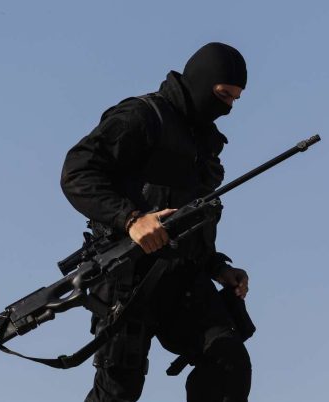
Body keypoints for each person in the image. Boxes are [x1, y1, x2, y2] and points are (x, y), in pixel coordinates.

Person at [60, 42, 252, 402]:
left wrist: (216, 266)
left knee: (228, 364)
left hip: (183, 281)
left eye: (234, 100)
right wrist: (131, 220)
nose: (227, 108)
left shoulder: (205, 140)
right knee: (119, 391)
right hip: (128, 280)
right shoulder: (141, 116)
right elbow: (77, 172)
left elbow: (189, 216)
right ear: (201, 82)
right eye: (222, 95)